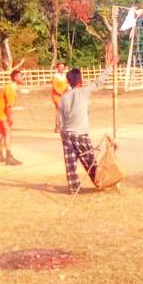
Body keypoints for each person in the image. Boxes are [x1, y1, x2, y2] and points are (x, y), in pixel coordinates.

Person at [59, 47, 116, 194]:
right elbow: (98, 82)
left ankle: (73, 187)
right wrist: (109, 67)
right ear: (80, 80)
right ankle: (100, 181)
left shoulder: (63, 97)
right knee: (90, 160)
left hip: (66, 133)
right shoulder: (82, 92)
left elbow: (61, 119)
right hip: (79, 133)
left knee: (70, 162)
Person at [0, 69, 25, 166]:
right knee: (8, 133)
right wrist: (10, 118)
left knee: (4, 133)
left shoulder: (9, 87)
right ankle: (9, 157)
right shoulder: (11, 89)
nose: (22, 78)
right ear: (15, 78)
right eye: (20, 76)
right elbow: (9, 106)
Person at [51, 62, 69, 132]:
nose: (62, 68)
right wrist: (62, 94)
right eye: (60, 67)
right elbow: (55, 88)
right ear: (57, 68)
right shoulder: (56, 77)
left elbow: (67, 84)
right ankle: (58, 127)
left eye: (62, 67)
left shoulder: (64, 76)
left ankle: (63, 126)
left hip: (64, 96)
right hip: (57, 97)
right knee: (59, 112)